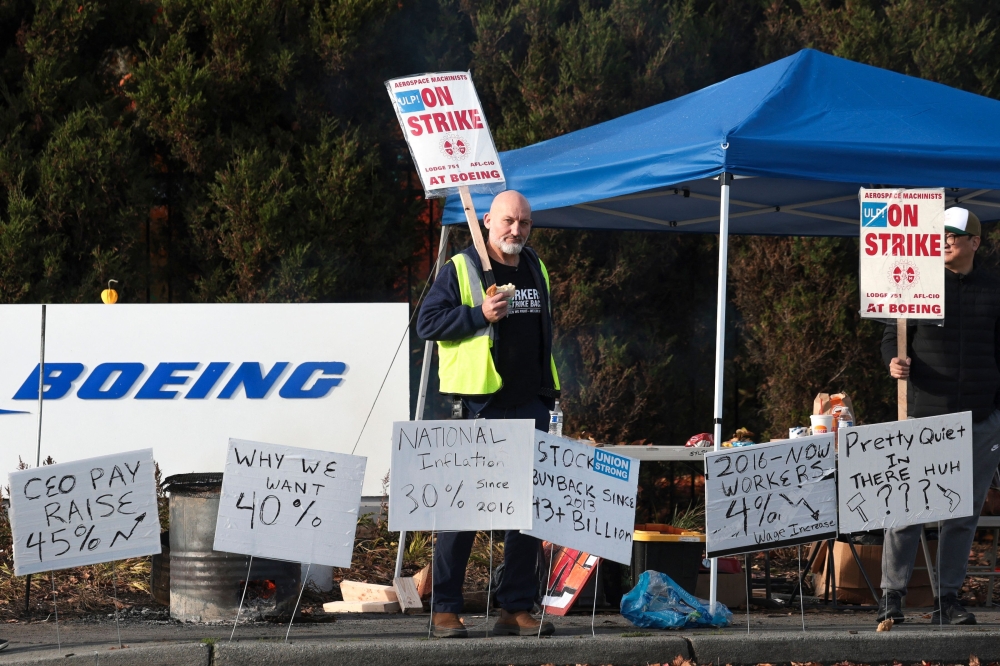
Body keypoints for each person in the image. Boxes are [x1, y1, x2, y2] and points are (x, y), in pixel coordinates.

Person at [416, 189, 560, 638]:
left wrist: (549, 395)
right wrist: (478, 314)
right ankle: (445, 608)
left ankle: (515, 608)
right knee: (465, 509)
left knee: (529, 512)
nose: (516, 230)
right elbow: (427, 323)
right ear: (486, 223)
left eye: (524, 223)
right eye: (508, 221)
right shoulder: (461, 267)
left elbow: (542, 335)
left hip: (530, 403)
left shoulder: (535, 266)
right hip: (479, 404)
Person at [879, 207, 1000, 625]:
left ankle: (947, 600)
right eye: (940, 234)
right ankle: (891, 597)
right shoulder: (916, 283)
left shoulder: (996, 288)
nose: (945, 240)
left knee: (962, 516)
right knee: (905, 510)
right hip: (923, 419)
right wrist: (893, 362)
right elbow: (891, 338)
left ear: (975, 242)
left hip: (981, 420)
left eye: (954, 234)